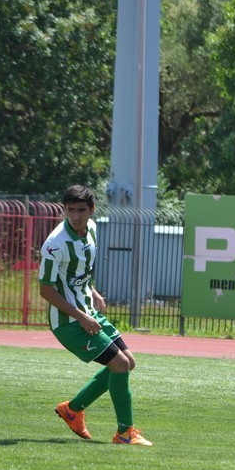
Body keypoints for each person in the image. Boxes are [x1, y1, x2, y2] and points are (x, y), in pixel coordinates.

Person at [39, 184, 152, 446]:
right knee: (119, 365)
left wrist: (92, 290)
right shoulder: (55, 245)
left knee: (128, 362)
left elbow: (80, 271)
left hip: (88, 311)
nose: (75, 216)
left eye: (81, 210)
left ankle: (72, 410)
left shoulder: (91, 228)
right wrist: (81, 316)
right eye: (70, 210)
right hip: (69, 322)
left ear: (92, 210)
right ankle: (125, 433)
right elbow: (45, 290)